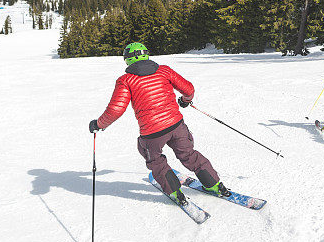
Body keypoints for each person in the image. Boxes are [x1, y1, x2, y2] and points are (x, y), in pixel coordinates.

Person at [89, 42, 230, 204]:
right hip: (177, 125)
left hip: (152, 133)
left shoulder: (126, 80)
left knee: (155, 161)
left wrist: (99, 124)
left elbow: (116, 109)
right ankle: (214, 185)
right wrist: (185, 101)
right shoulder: (164, 70)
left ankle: (176, 193)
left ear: (127, 59)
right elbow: (188, 89)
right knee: (189, 154)